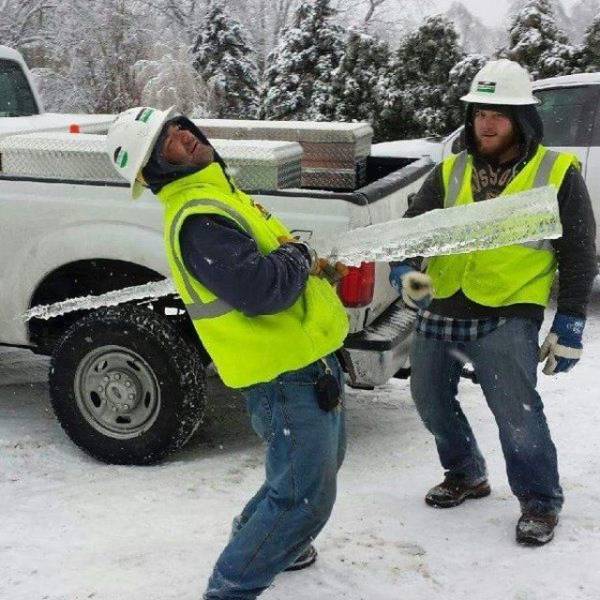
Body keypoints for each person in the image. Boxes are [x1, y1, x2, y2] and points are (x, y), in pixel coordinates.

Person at [106, 106, 349, 598]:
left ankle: (264, 537)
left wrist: (307, 270)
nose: (185, 137)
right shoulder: (199, 217)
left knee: (305, 476)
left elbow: (269, 265)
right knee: (304, 496)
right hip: (283, 375)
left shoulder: (219, 193)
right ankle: (231, 588)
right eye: (168, 141)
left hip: (305, 360)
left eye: (181, 127)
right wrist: (299, 256)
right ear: (155, 168)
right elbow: (262, 291)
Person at [390, 59, 597, 546]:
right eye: (480, 111)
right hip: (444, 304)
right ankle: (466, 473)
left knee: (516, 412)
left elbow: (579, 250)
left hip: (509, 306)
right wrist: (405, 267)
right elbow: (413, 229)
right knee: (429, 400)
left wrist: (569, 320)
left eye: (499, 113)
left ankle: (540, 501)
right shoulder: (451, 169)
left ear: (522, 118)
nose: (487, 122)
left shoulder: (557, 172)